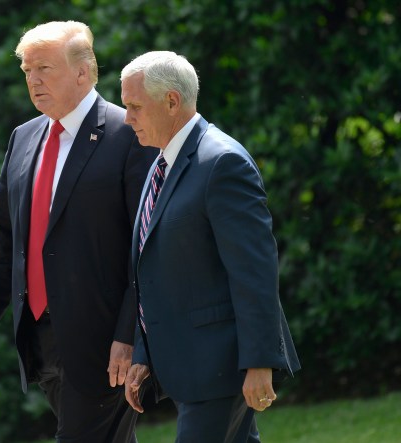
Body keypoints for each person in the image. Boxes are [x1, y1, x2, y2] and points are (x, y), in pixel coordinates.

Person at [0, 21, 157, 442]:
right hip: (41, 338)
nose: (33, 80)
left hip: (103, 343)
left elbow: (148, 249)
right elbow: (3, 239)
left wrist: (130, 335)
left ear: (83, 72)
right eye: (27, 70)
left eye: (44, 68)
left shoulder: (128, 134)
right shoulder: (23, 137)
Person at [120, 51, 301, 442]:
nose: (127, 117)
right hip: (188, 365)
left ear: (171, 101)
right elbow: (155, 270)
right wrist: (143, 352)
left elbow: (254, 271)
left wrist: (259, 362)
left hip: (221, 365)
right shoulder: (160, 163)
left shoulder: (222, 163)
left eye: (134, 106)